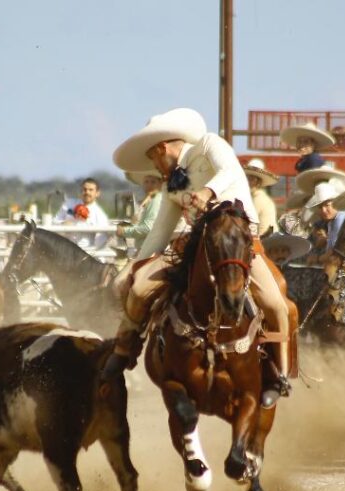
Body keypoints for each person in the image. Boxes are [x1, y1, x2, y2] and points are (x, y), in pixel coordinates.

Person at [102, 107, 293, 405]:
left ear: (162, 148)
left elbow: (231, 171)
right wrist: (134, 265)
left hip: (239, 242)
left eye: (153, 158)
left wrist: (207, 192)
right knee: (138, 287)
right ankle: (125, 347)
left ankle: (277, 375)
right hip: (195, 247)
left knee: (275, 304)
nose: (154, 165)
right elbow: (160, 232)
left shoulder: (209, 144)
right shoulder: (172, 187)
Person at [56, 177, 111, 248]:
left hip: (84, 252)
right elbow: (54, 222)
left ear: (97, 193)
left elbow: (100, 242)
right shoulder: (68, 204)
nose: (87, 192)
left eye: (91, 190)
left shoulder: (100, 216)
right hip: (64, 248)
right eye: (84, 189)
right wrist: (63, 224)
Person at [117, 169, 163, 252]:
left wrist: (124, 231)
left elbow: (148, 228)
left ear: (160, 184)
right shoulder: (151, 199)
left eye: (153, 182)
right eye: (146, 182)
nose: (149, 185)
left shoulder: (155, 200)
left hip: (149, 250)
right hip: (147, 248)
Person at [243, 158, 279, 236]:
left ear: (258, 182)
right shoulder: (251, 196)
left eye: (252, 179)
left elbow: (249, 221)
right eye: (247, 177)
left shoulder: (259, 198)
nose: (248, 181)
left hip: (264, 241)